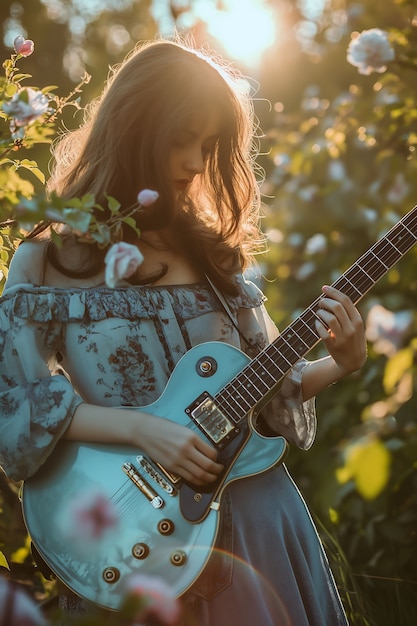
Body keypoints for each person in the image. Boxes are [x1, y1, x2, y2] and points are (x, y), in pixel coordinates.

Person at [0, 38, 367, 625]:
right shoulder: (46, 261)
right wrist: (144, 430)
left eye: (209, 144)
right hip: (129, 534)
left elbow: (268, 393)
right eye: (182, 138)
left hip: (252, 523)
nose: (197, 161)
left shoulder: (212, 254)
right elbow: (16, 405)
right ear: (135, 128)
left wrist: (342, 363)